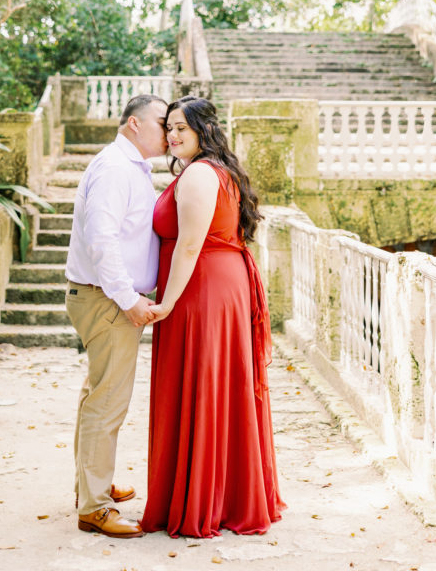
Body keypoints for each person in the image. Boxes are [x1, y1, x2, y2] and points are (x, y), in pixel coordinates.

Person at [141, 95, 285, 538]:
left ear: (205, 130)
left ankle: (207, 500)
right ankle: (219, 493)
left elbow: (189, 245)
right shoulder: (208, 171)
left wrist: (166, 304)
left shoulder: (202, 174)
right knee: (214, 387)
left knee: (205, 385)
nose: (173, 135)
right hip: (213, 285)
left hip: (202, 290)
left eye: (183, 127)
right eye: (169, 127)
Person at [65, 93, 168, 540]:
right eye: (163, 123)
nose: (170, 131)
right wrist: (128, 299)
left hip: (102, 296)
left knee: (97, 396)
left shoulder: (128, 167)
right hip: (107, 300)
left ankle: (91, 486)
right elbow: (101, 241)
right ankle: (94, 507)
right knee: (107, 402)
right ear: (133, 124)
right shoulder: (114, 169)